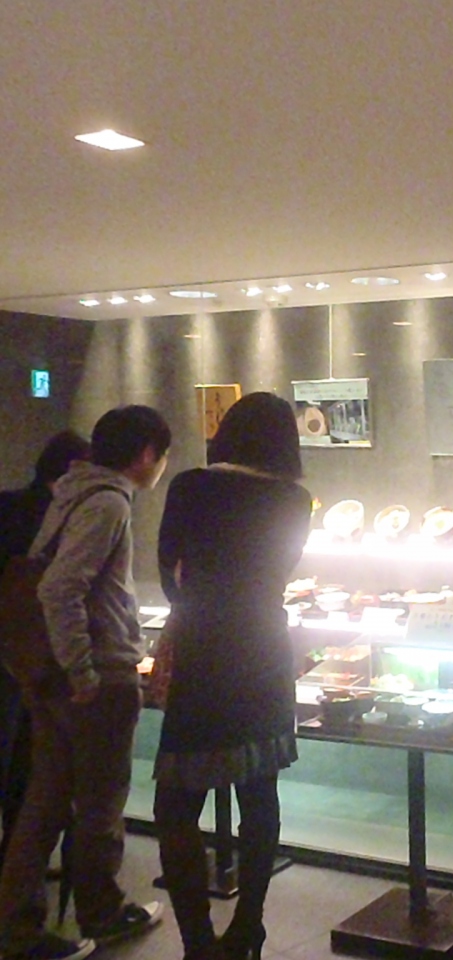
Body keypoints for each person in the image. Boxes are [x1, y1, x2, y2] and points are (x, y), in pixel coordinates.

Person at [0, 407, 171, 960]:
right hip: (93, 674)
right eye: (162, 455)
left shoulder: (71, 493)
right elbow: (60, 588)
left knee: (44, 803)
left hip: (49, 672)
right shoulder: (109, 502)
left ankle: (17, 928)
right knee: (99, 803)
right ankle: (101, 912)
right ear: (146, 454)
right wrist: (83, 671)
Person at [153, 393, 312, 960]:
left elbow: (169, 571)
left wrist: (192, 603)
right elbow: (278, 571)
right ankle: (249, 926)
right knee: (259, 793)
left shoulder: (191, 486)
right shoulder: (296, 500)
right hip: (265, 648)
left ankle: (199, 944)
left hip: (206, 649)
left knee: (175, 806)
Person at [0, 432, 92, 867]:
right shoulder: (62, 520)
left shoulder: (8, 505)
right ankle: (18, 868)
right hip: (35, 656)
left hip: (11, 650)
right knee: (29, 763)